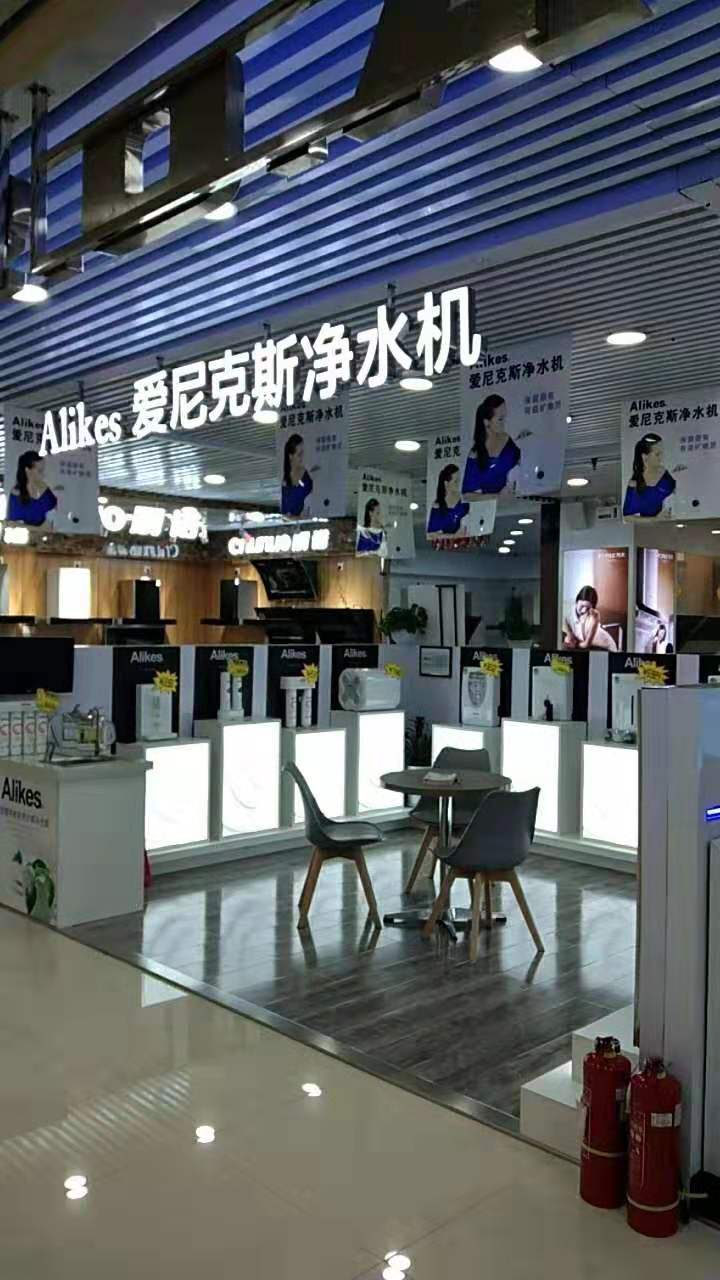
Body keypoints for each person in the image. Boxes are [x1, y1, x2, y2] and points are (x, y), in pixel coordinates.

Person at [462, 394, 521, 497]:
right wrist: (497, 496)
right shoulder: (475, 455)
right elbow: (467, 495)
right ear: (487, 422)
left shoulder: (506, 439)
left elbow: (520, 461)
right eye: (500, 419)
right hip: (493, 504)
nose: (504, 422)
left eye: (505, 417)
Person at [623, 433, 676, 518]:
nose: (661, 458)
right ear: (645, 457)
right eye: (657, 454)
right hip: (653, 525)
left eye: (662, 453)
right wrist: (655, 519)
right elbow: (628, 517)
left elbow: (676, 493)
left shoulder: (665, 473)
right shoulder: (634, 483)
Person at [7, 451, 58, 526]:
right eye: (40, 471)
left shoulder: (46, 491)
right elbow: (13, 524)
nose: (43, 474)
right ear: (28, 470)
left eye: (43, 470)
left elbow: (55, 516)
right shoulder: (15, 494)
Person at [563, 585, 617, 651]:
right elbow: (570, 638)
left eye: (588, 608)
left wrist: (575, 644)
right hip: (590, 648)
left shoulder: (594, 616)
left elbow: (586, 644)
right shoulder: (568, 615)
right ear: (577, 600)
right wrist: (569, 640)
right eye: (582, 606)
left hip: (605, 647)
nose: (584, 610)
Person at [427, 464, 470, 536]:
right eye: (455, 481)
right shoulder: (437, 506)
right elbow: (431, 533)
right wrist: (453, 536)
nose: (459, 484)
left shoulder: (464, 500)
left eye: (459, 480)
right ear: (446, 483)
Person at [281, 434, 315, 518]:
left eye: (303, 453)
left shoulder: (307, 475)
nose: (302, 457)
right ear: (291, 456)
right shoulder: (285, 481)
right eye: (299, 454)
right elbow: (285, 512)